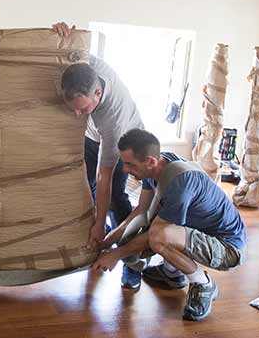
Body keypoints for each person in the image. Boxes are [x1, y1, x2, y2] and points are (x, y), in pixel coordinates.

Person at [92, 129, 247, 321]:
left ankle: (203, 284)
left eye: (129, 164)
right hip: (196, 231)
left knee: (159, 236)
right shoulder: (157, 167)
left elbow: (157, 235)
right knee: (152, 228)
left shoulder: (180, 182)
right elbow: (141, 210)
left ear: (150, 161)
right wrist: (110, 239)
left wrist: (116, 255)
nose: (124, 170)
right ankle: (171, 273)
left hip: (226, 248)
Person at [54, 22, 142, 288]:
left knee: (115, 197)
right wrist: (63, 36)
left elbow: (105, 176)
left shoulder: (113, 121)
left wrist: (100, 222)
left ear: (99, 93)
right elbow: (71, 50)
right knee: (85, 188)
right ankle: (90, 249)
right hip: (94, 137)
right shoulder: (87, 67)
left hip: (126, 141)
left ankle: (134, 263)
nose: (77, 114)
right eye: (74, 109)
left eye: (83, 108)